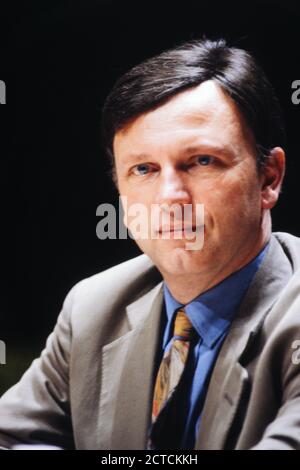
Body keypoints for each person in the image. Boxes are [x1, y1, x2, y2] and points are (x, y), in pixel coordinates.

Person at [1, 38, 300, 450]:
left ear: (269, 178)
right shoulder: (92, 307)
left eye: (201, 161)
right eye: (144, 169)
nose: (169, 196)